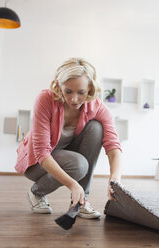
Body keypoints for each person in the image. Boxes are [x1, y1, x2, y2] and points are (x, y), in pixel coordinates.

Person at [14, 57, 122, 219]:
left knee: (96, 128)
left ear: (90, 88)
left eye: (81, 92)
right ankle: (36, 193)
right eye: (68, 91)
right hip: (36, 163)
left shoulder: (97, 107)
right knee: (79, 165)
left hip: (67, 156)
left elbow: (113, 145)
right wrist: (72, 185)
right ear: (59, 86)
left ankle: (80, 202)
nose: (74, 99)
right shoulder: (45, 100)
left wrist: (115, 179)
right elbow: (42, 152)